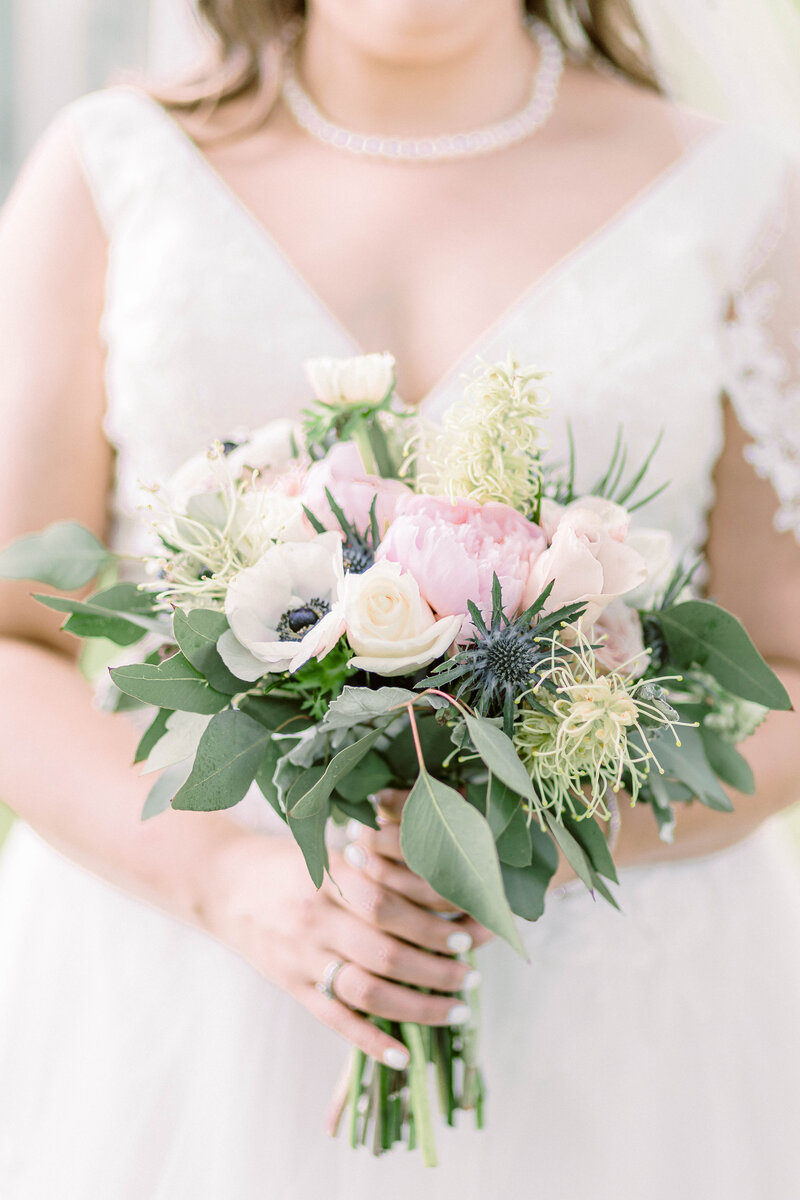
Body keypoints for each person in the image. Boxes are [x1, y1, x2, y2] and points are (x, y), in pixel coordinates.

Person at [1, 2, 799, 1196]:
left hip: (611, 1000)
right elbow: (13, 628)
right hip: (177, 976)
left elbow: (783, 662)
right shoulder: (112, 167)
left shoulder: (735, 193)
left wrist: (543, 846)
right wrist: (230, 884)